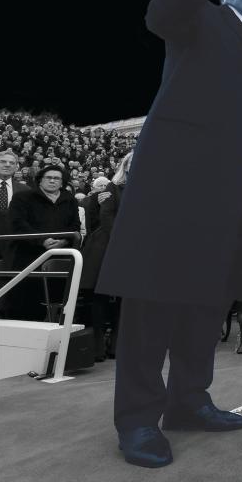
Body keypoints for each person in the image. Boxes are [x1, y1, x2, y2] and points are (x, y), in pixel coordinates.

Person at [94, 0, 242, 467]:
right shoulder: (201, 18)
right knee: (153, 301)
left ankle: (189, 399)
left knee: (205, 303)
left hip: (231, 200)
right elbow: (159, 14)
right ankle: (137, 419)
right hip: (178, 189)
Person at [6, 163, 80, 321]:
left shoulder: (70, 200)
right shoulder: (23, 197)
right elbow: (18, 224)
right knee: (26, 303)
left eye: (57, 178)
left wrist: (63, 241)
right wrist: (42, 240)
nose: (52, 181)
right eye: (49, 177)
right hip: (28, 256)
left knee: (54, 302)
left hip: (60, 257)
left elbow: (75, 226)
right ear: (40, 180)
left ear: (62, 182)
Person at [79, 152, 132, 361]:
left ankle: (117, 344)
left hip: (134, 247)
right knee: (99, 295)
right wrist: (122, 241)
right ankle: (97, 344)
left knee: (125, 297)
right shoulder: (112, 187)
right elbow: (106, 216)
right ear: (125, 166)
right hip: (107, 245)